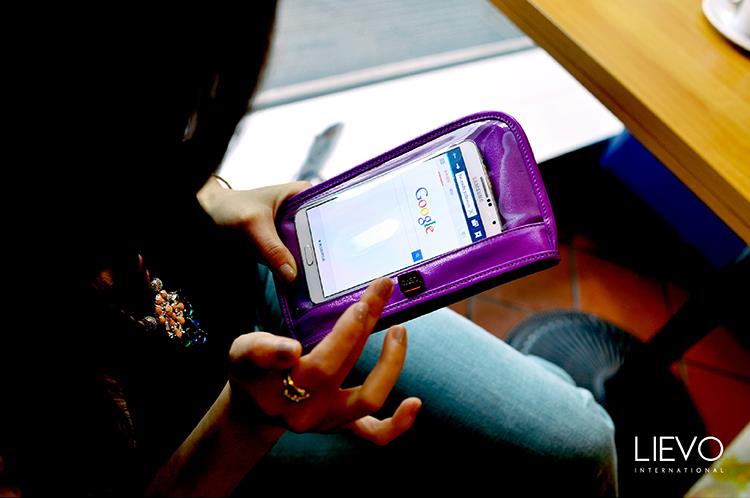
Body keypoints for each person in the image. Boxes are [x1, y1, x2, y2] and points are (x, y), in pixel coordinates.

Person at [1, 6, 616, 496]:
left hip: (256, 271)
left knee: (577, 439)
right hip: (203, 431)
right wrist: (250, 422)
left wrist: (214, 196)